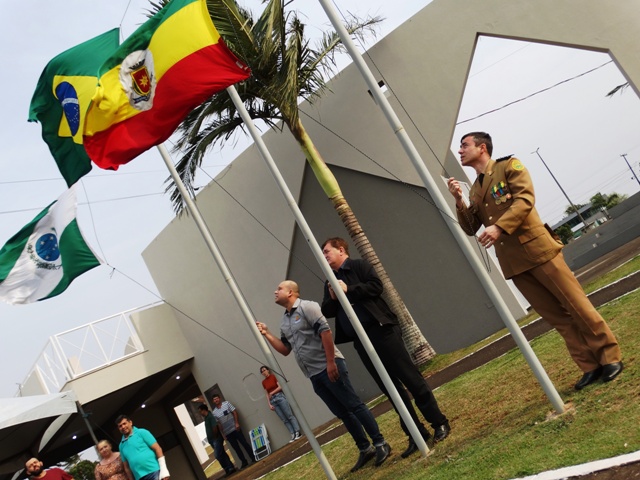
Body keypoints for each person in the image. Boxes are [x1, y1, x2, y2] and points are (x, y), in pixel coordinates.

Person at [447, 131, 623, 391]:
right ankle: (589, 366)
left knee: (577, 306)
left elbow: (525, 199)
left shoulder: (509, 166)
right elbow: (472, 227)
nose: (460, 151)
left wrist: (499, 228)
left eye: (464, 145)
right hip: (515, 263)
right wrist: (459, 202)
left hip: (539, 251)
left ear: (482, 148)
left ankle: (609, 357)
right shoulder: (474, 189)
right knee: (558, 319)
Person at [320, 238, 450, 458]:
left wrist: (349, 288)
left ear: (341, 250)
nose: (324, 256)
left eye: (327, 251)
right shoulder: (329, 281)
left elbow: (375, 287)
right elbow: (328, 310)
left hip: (382, 332)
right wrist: (333, 296)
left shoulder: (359, 266)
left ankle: (439, 422)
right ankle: (416, 433)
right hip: (361, 341)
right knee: (391, 388)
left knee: (410, 378)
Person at [256, 280, 391, 472]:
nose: (275, 291)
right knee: (342, 413)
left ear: (291, 292)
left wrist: (330, 363)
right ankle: (365, 448)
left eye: (279, 289)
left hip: (329, 366)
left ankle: (380, 443)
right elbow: (286, 349)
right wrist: (267, 334)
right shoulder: (284, 321)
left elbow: (325, 332)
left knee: (354, 405)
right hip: (314, 375)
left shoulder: (307, 307)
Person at [116, 414, 170, 480]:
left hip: (154, 471)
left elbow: (158, 448)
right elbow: (126, 467)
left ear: (130, 422)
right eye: (120, 426)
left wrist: (164, 469)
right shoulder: (121, 445)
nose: (123, 427)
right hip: (139, 477)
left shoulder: (142, 432)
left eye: (124, 423)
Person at [260, 365, 302, 442]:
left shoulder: (273, 376)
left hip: (279, 397)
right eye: (262, 371)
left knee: (289, 415)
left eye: (264, 370)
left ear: (268, 370)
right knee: (284, 419)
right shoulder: (263, 382)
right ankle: (292, 433)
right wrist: (269, 404)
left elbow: (280, 387)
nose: (264, 372)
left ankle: (297, 432)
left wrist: (272, 393)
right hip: (273, 401)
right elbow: (267, 393)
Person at [211, 394, 254, 469]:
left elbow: (234, 412)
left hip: (235, 428)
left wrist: (237, 423)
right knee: (236, 448)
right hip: (227, 433)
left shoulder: (227, 404)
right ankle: (244, 461)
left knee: (244, 443)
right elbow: (219, 424)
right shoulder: (214, 412)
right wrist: (223, 434)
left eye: (217, 398)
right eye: (214, 399)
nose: (216, 400)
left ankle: (253, 457)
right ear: (213, 401)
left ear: (219, 398)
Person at [197, 404, 236, 476]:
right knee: (222, 453)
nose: (200, 413)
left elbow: (214, 427)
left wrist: (215, 437)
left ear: (203, 410)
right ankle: (229, 467)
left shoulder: (210, 416)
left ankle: (227, 467)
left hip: (216, 438)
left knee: (217, 455)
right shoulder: (206, 418)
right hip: (213, 440)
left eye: (200, 411)